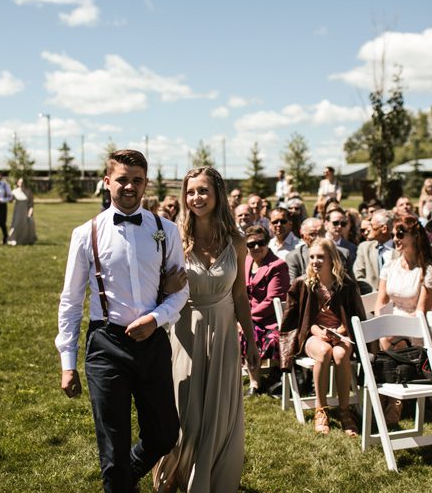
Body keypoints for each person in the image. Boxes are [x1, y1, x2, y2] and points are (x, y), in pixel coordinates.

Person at [56, 149, 189, 493]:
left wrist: (156, 319)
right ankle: (118, 479)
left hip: (152, 341)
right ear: (107, 182)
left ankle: (123, 477)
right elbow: (71, 301)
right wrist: (67, 363)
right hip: (106, 344)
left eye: (137, 180)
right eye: (122, 179)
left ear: (146, 183)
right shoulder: (86, 233)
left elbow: (180, 291)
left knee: (164, 434)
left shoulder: (166, 230)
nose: (130, 187)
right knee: (112, 446)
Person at [153, 166, 258, 492]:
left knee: (219, 413)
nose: (196, 197)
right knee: (185, 412)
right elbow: (154, 291)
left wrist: (251, 341)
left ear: (217, 195)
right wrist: (166, 285)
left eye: (203, 191)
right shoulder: (173, 237)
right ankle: (175, 477)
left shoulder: (236, 241)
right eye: (191, 191)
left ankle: (213, 479)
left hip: (225, 332)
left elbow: (240, 294)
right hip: (185, 331)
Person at [279, 238, 365, 435]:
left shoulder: (346, 285)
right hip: (313, 335)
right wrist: (320, 333)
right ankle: (321, 409)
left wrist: (340, 332)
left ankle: (344, 412)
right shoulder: (303, 284)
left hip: (341, 333)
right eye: (312, 257)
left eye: (320, 257)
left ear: (331, 259)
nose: (315, 261)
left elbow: (355, 316)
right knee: (325, 351)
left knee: (342, 354)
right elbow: (300, 321)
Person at [241, 224, 289, 395]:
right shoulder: (246, 261)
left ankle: (276, 376)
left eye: (261, 243)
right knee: (246, 335)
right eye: (251, 244)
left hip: (272, 319)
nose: (256, 247)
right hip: (250, 316)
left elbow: (272, 300)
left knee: (273, 338)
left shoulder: (277, 266)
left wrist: (245, 318)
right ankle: (255, 383)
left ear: (267, 243)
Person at [353, 209, 396, 295]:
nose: (368, 229)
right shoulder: (364, 248)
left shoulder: (399, 250)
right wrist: (375, 294)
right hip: (371, 301)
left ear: (384, 229)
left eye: (372, 226)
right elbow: (358, 275)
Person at [7, 177, 38, 246]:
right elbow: (10, 200)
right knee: (16, 224)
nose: (21, 183)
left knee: (28, 225)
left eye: (23, 182)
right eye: (20, 182)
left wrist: (30, 211)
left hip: (26, 211)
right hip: (18, 211)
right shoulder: (14, 191)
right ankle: (13, 239)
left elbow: (31, 203)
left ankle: (27, 240)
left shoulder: (28, 191)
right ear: (18, 183)